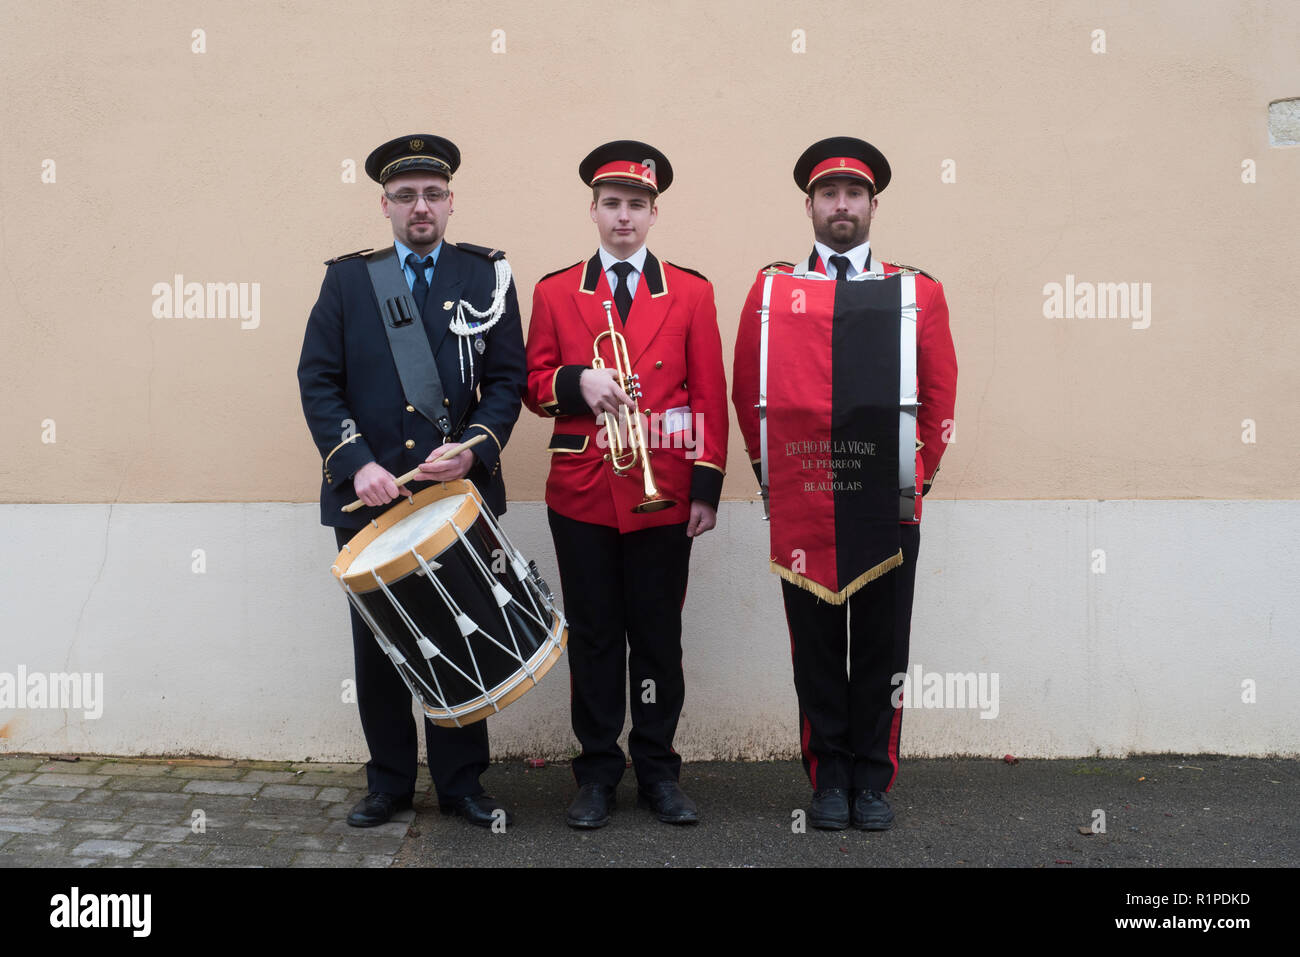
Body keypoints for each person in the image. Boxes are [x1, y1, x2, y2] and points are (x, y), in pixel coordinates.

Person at [297, 134, 526, 828]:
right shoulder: (348, 280)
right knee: (383, 645)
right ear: (385, 205)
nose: (419, 206)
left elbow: (508, 380)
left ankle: (462, 782)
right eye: (405, 196)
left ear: (450, 202)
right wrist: (357, 462)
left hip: (454, 494)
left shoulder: (487, 275)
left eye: (432, 194)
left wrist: (476, 449)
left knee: (464, 631)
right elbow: (318, 380)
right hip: (372, 494)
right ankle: (389, 781)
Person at [731, 136, 957, 830]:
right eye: (828, 194)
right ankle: (828, 776)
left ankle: (873, 778)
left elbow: (939, 392)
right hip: (806, 500)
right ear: (810, 206)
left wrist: (912, 477)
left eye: (853, 194)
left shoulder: (914, 291)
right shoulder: (773, 291)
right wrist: (775, 479)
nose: (841, 205)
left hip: (886, 501)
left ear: (872, 205)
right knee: (818, 645)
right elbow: (750, 390)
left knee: (885, 643)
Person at [524, 141, 728, 828]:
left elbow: (710, 393)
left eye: (636, 205)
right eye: (611, 204)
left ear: (653, 213)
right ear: (593, 210)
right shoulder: (556, 290)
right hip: (583, 488)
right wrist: (573, 381)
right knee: (595, 636)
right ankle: (597, 772)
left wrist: (706, 484)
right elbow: (530, 384)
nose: (623, 217)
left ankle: (660, 770)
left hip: (665, 487)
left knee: (658, 635)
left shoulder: (692, 291)